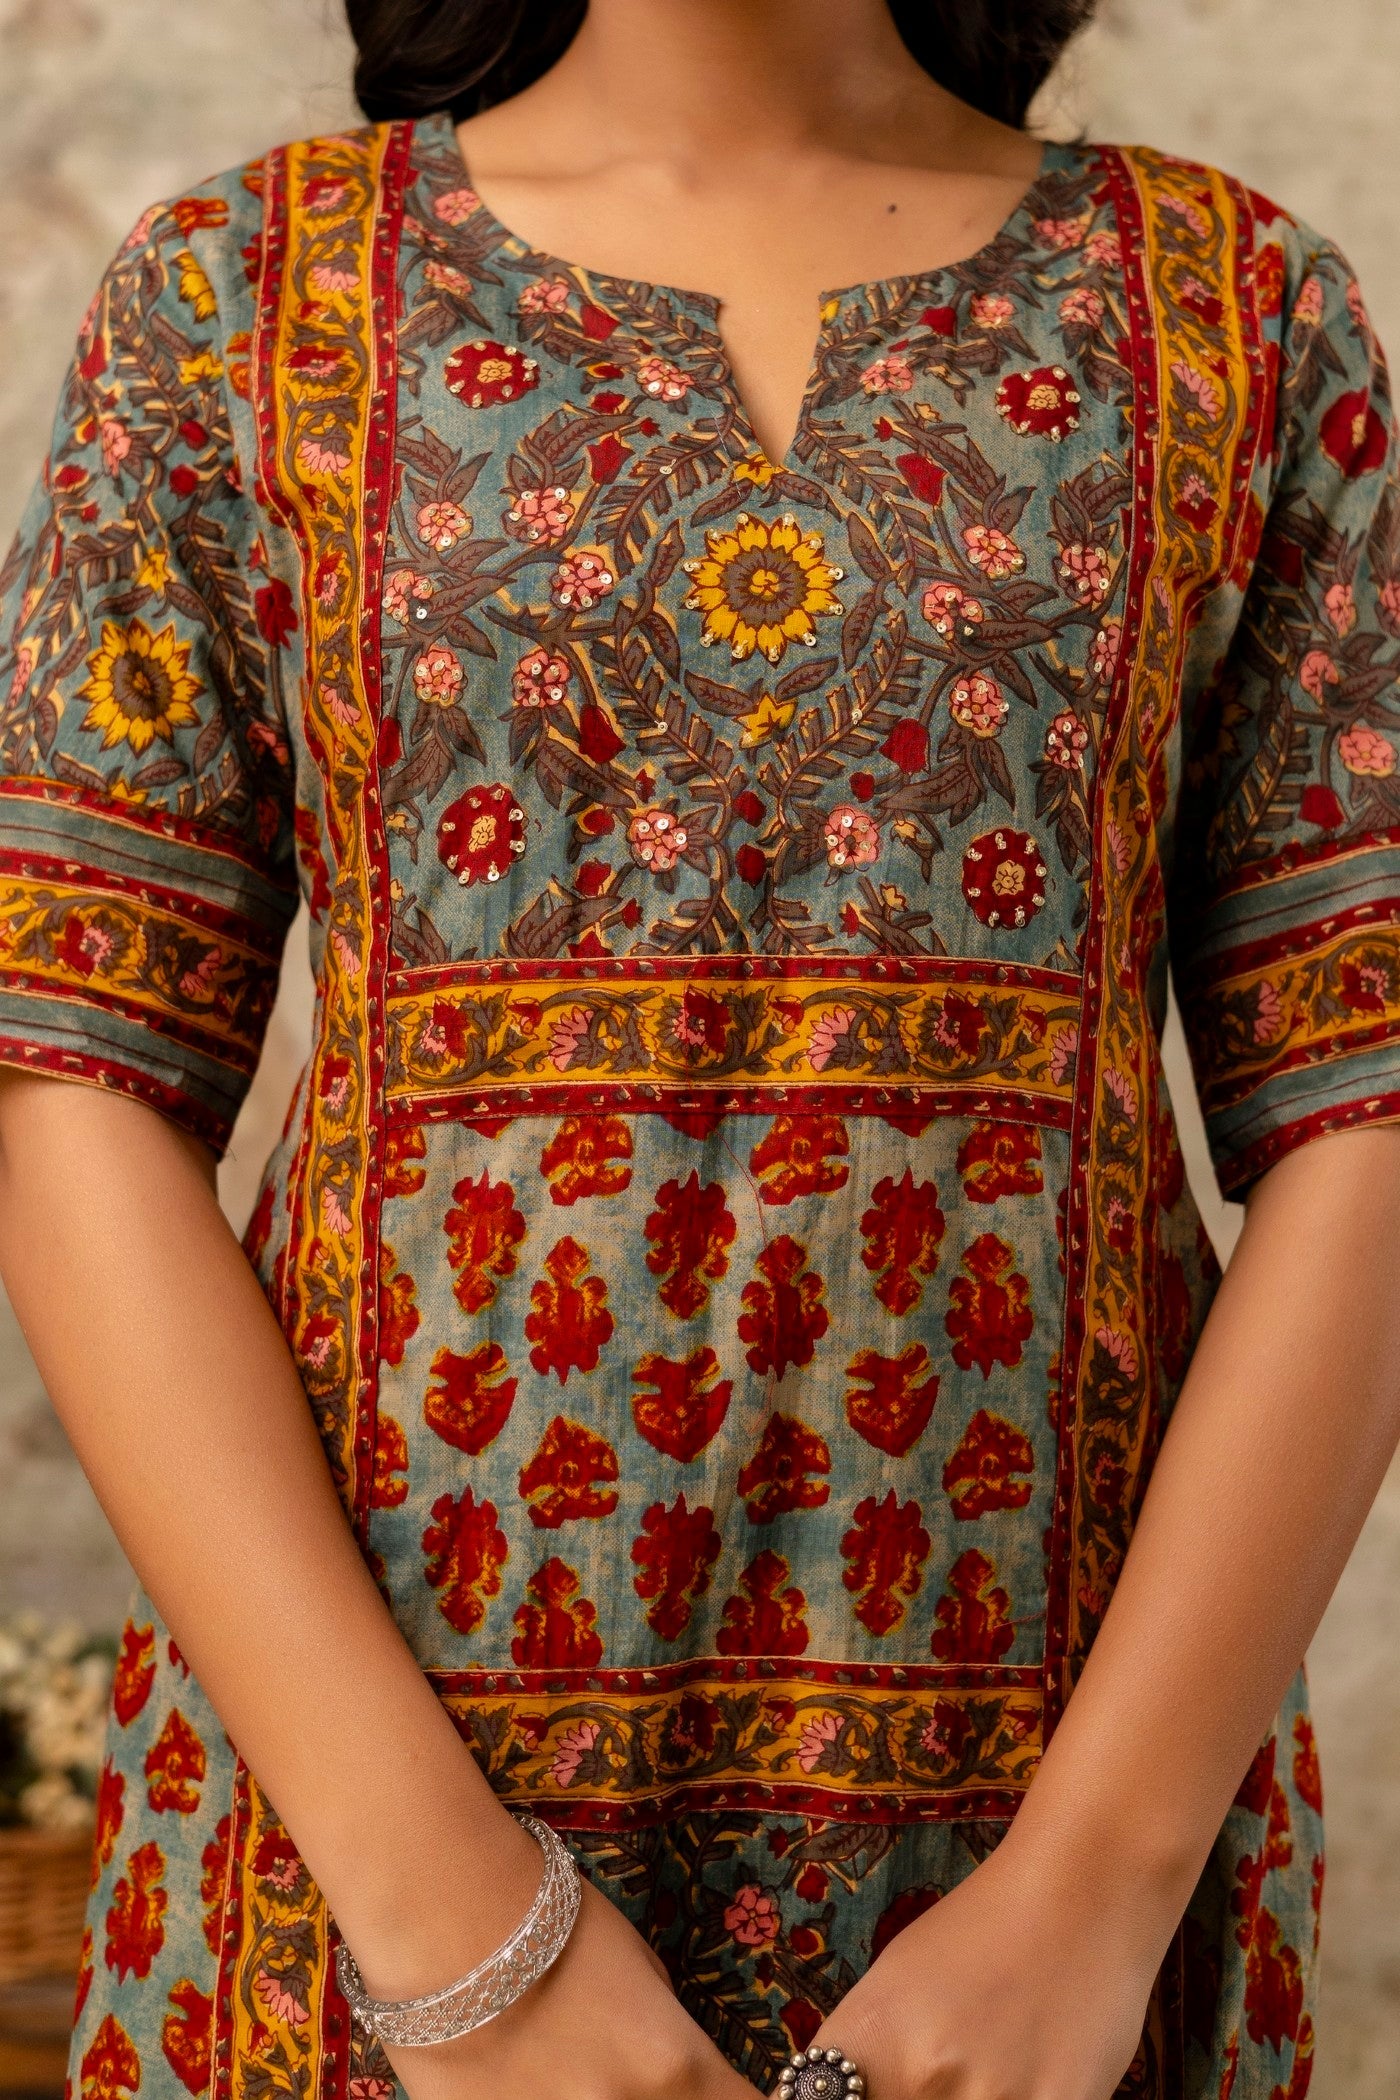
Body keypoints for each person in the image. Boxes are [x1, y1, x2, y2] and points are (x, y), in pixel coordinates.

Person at [0, 2, 1398, 2095]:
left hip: (1042, 1917)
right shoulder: (237, 297)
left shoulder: (1230, 318)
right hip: (360, 1868)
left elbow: (1365, 1099)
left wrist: (1092, 1896)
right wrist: (447, 1924)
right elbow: (76, 1069)